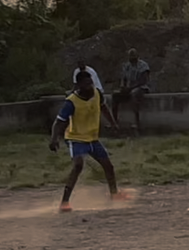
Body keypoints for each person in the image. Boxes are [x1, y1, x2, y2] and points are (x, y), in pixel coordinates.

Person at [50, 67, 131, 212]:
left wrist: (113, 123)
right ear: (79, 85)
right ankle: (64, 202)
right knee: (78, 165)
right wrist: (54, 139)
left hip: (92, 138)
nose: (90, 87)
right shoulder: (71, 102)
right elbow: (59, 122)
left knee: (108, 165)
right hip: (76, 139)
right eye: (86, 85)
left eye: (91, 84)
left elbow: (104, 107)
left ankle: (114, 194)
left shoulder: (97, 94)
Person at [117, 51, 153, 132]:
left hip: (141, 87)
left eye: (133, 57)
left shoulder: (143, 65)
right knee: (115, 95)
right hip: (130, 87)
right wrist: (123, 86)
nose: (132, 59)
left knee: (134, 94)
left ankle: (136, 121)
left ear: (137, 56)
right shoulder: (127, 66)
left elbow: (143, 80)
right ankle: (115, 121)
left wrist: (130, 88)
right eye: (130, 57)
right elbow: (124, 78)